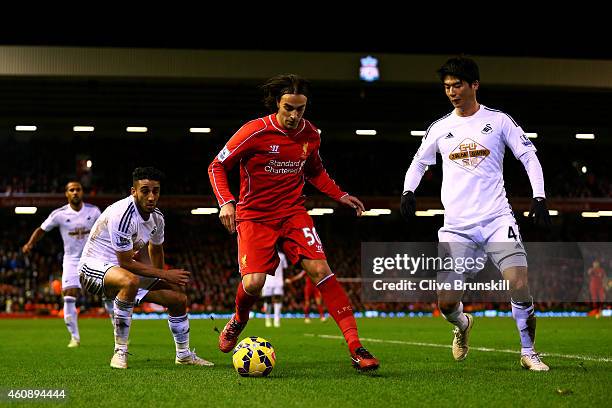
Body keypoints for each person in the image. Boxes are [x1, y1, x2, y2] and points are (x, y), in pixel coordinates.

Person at [208, 74, 379, 371]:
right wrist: (226, 201)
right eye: (289, 107)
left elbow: (315, 172)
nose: (294, 115)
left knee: (321, 270)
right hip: (255, 216)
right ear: (278, 103)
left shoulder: (310, 135)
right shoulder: (255, 131)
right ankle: (238, 319)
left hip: (292, 213)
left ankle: (356, 347)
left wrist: (340, 195)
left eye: (300, 109)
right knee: (254, 283)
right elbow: (217, 166)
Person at [401, 57, 551, 371]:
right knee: (445, 302)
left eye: (457, 85)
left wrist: (539, 196)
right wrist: (408, 190)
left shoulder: (499, 121)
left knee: (518, 281)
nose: (452, 92)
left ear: (474, 85)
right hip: (456, 227)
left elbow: (528, 156)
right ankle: (463, 324)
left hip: (497, 219)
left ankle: (528, 351)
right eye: (447, 87)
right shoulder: (441, 128)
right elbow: (419, 162)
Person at [78, 167, 213, 369]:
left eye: (155, 191)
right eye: (145, 190)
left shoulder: (157, 218)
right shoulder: (122, 214)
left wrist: (163, 281)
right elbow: (125, 262)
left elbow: (156, 251)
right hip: (92, 268)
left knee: (177, 297)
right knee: (129, 280)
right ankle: (120, 352)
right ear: (133, 191)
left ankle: (184, 355)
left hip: (122, 271)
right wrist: (165, 273)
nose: (151, 197)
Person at [22, 181, 101, 348]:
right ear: (66, 194)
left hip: (93, 258)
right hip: (71, 260)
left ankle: (119, 333)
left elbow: (105, 229)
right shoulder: (59, 214)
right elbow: (41, 229)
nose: (75, 192)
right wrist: (30, 244)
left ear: (82, 192)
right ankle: (75, 337)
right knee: (69, 296)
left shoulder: (93, 212)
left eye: (78, 189)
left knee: (109, 295)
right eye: (71, 190)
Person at [261, 250, 288, 328]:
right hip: (267, 280)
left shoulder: (282, 256)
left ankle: (277, 320)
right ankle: (268, 319)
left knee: (278, 299)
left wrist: (285, 279)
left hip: (278, 280)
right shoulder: (265, 254)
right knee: (268, 300)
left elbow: (285, 268)